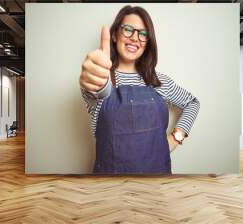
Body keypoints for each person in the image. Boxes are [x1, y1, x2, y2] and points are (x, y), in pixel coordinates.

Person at [79, 5, 200, 174]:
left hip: (155, 182)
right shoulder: (102, 80)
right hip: (108, 186)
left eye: (143, 34)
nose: (135, 37)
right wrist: (92, 78)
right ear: (114, 35)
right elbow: (95, 90)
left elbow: (192, 103)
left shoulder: (159, 81)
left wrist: (176, 138)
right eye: (128, 29)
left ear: (147, 42)